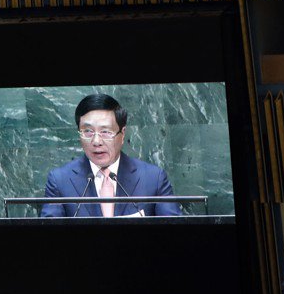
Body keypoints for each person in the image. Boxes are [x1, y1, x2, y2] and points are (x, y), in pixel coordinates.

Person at [41, 93, 180, 218]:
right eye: (88, 131)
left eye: (105, 132)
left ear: (122, 134)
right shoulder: (59, 180)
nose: (96, 141)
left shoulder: (153, 178)